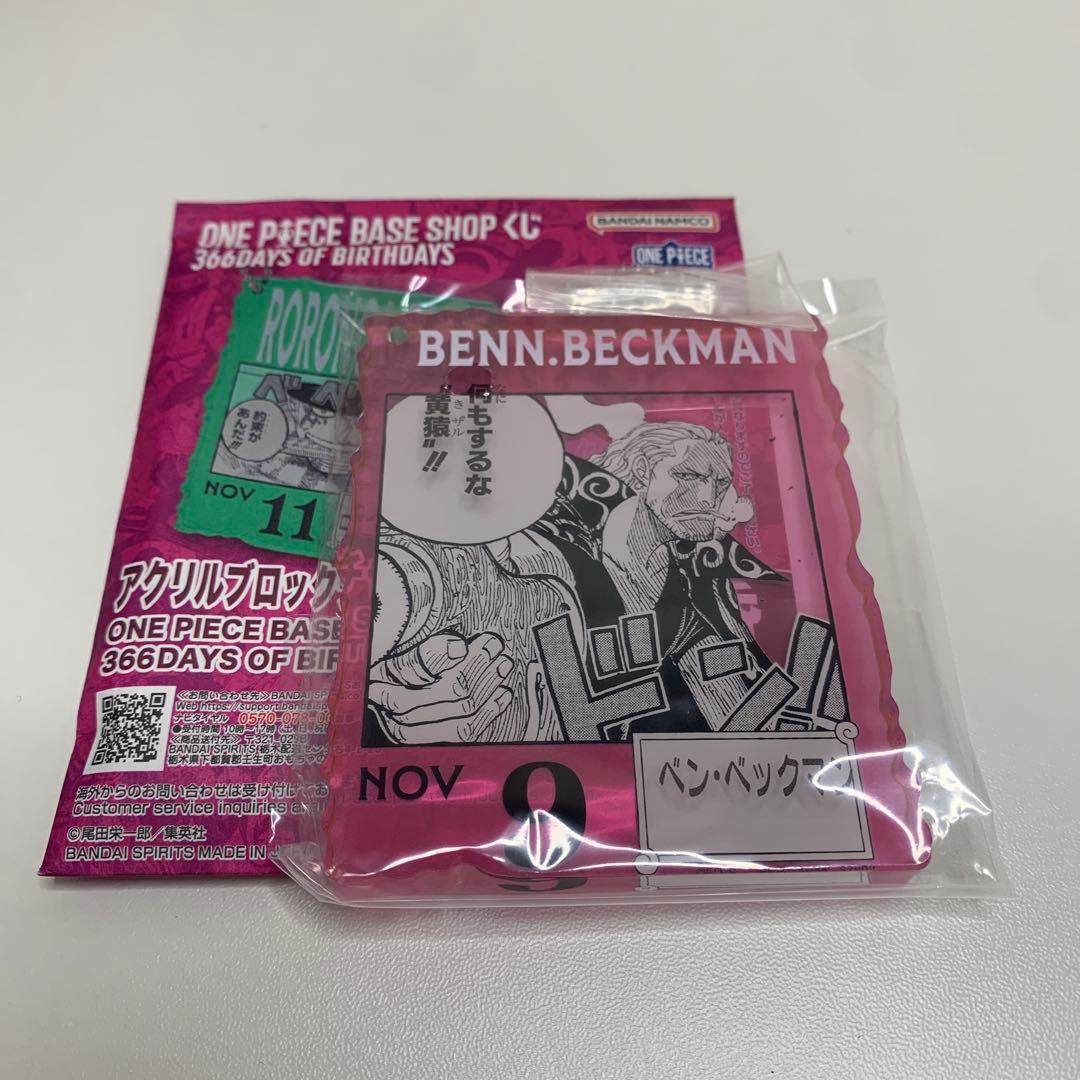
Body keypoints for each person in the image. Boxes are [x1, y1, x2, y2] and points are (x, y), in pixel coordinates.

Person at [368, 420, 782, 743]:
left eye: (720, 483)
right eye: (689, 476)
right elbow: (435, 565)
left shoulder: (705, 593)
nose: (708, 499)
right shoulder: (540, 533)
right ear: (642, 471)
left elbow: (743, 724)